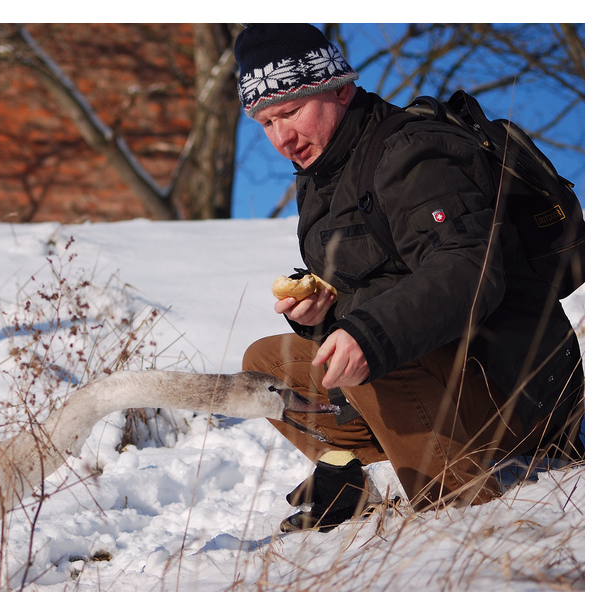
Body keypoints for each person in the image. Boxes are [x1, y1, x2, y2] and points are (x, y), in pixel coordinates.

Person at [234, 24, 584, 532]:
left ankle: (456, 509)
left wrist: (367, 333)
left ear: (339, 89)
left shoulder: (411, 152)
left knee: (374, 346)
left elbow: (470, 269)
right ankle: (360, 478)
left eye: (290, 112)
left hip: (520, 390)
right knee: (266, 366)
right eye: (266, 123)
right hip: (441, 384)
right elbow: (371, 290)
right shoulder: (319, 180)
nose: (282, 138)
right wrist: (324, 315)